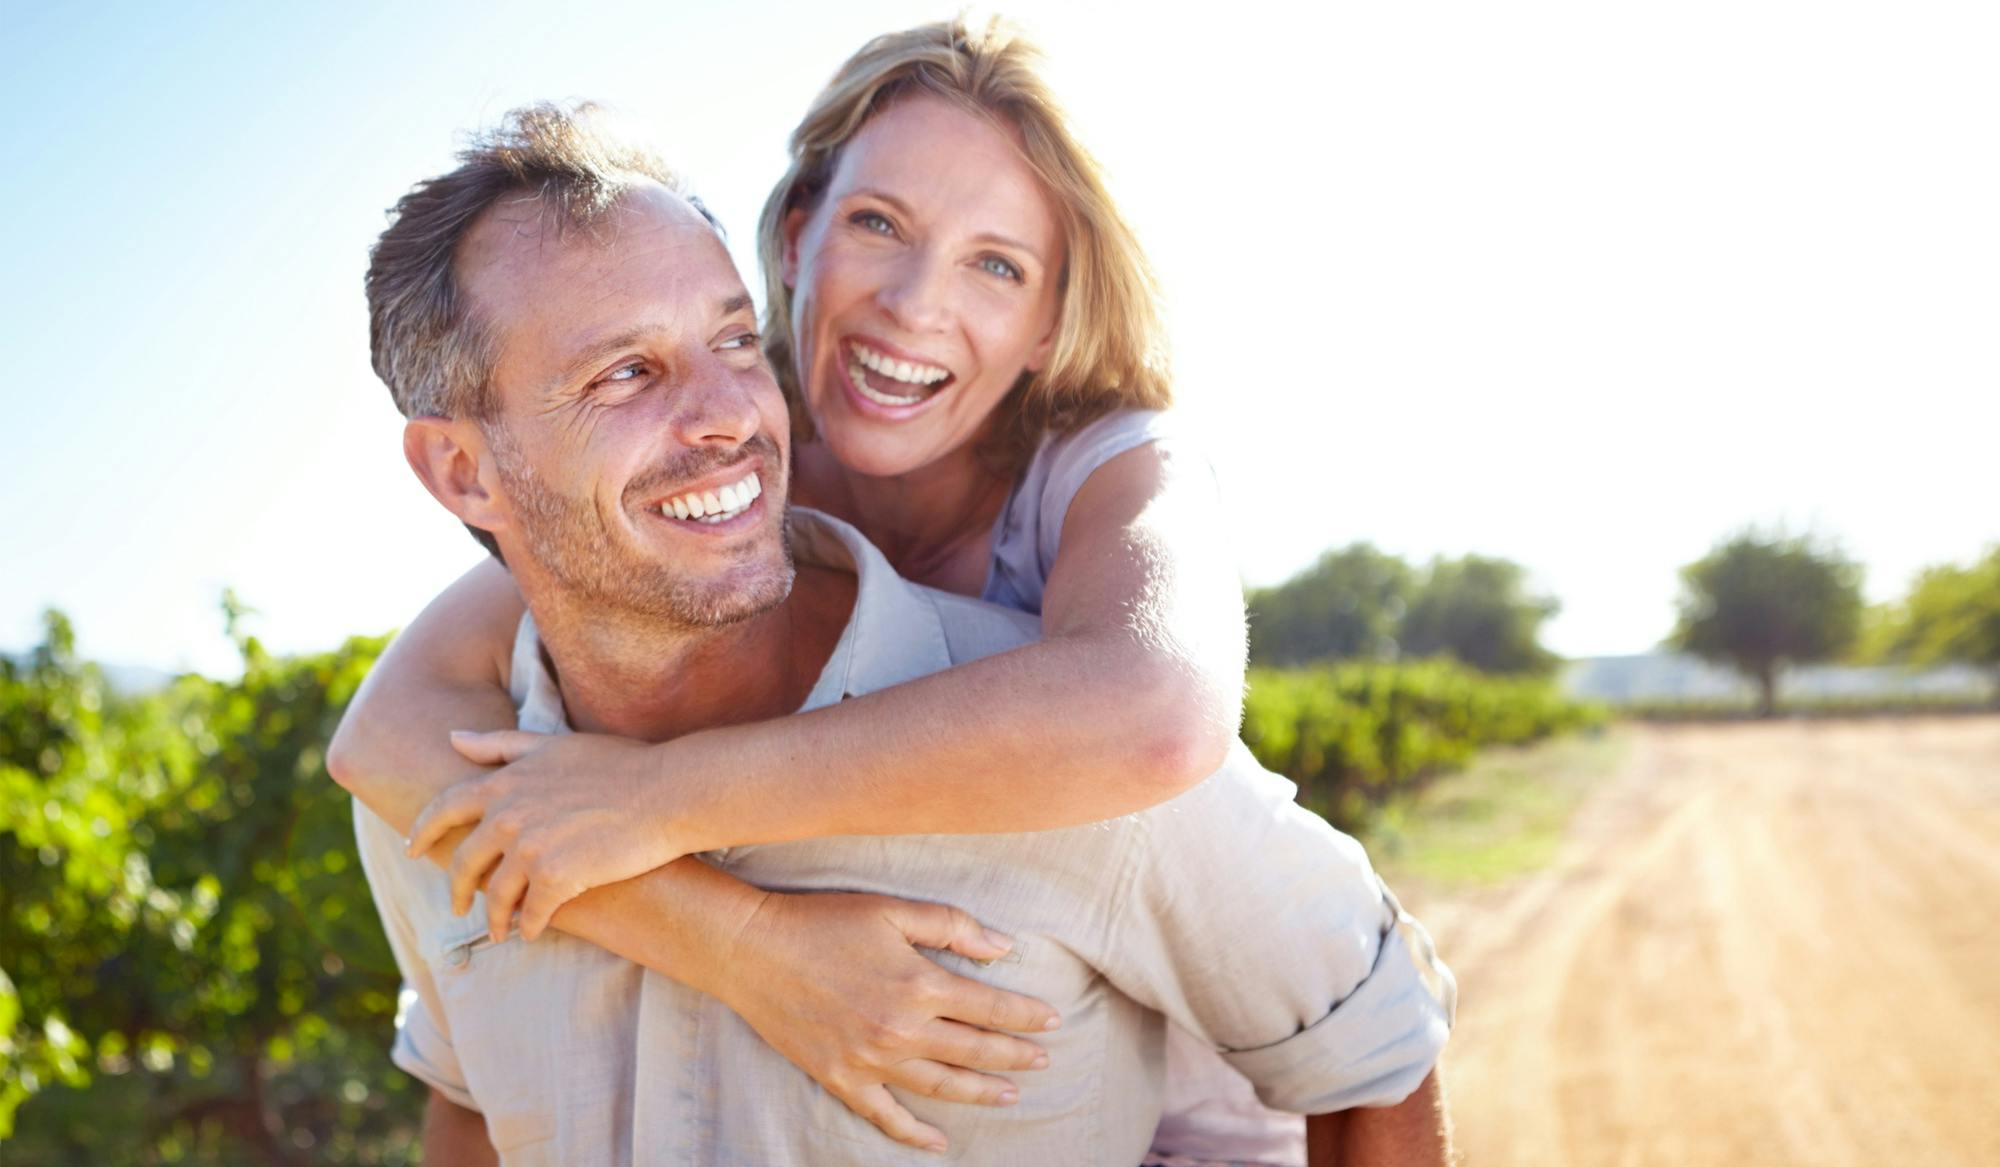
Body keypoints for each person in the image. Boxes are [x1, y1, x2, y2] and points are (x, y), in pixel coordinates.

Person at [332, 18, 1453, 1164]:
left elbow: (1160, 718)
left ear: (1050, 322)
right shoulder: (710, 463)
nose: (915, 305)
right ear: (797, 239)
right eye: (878, 224)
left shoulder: (1101, 482)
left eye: (997, 264)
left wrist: (659, 800)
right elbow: (387, 734)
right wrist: (740, 942)